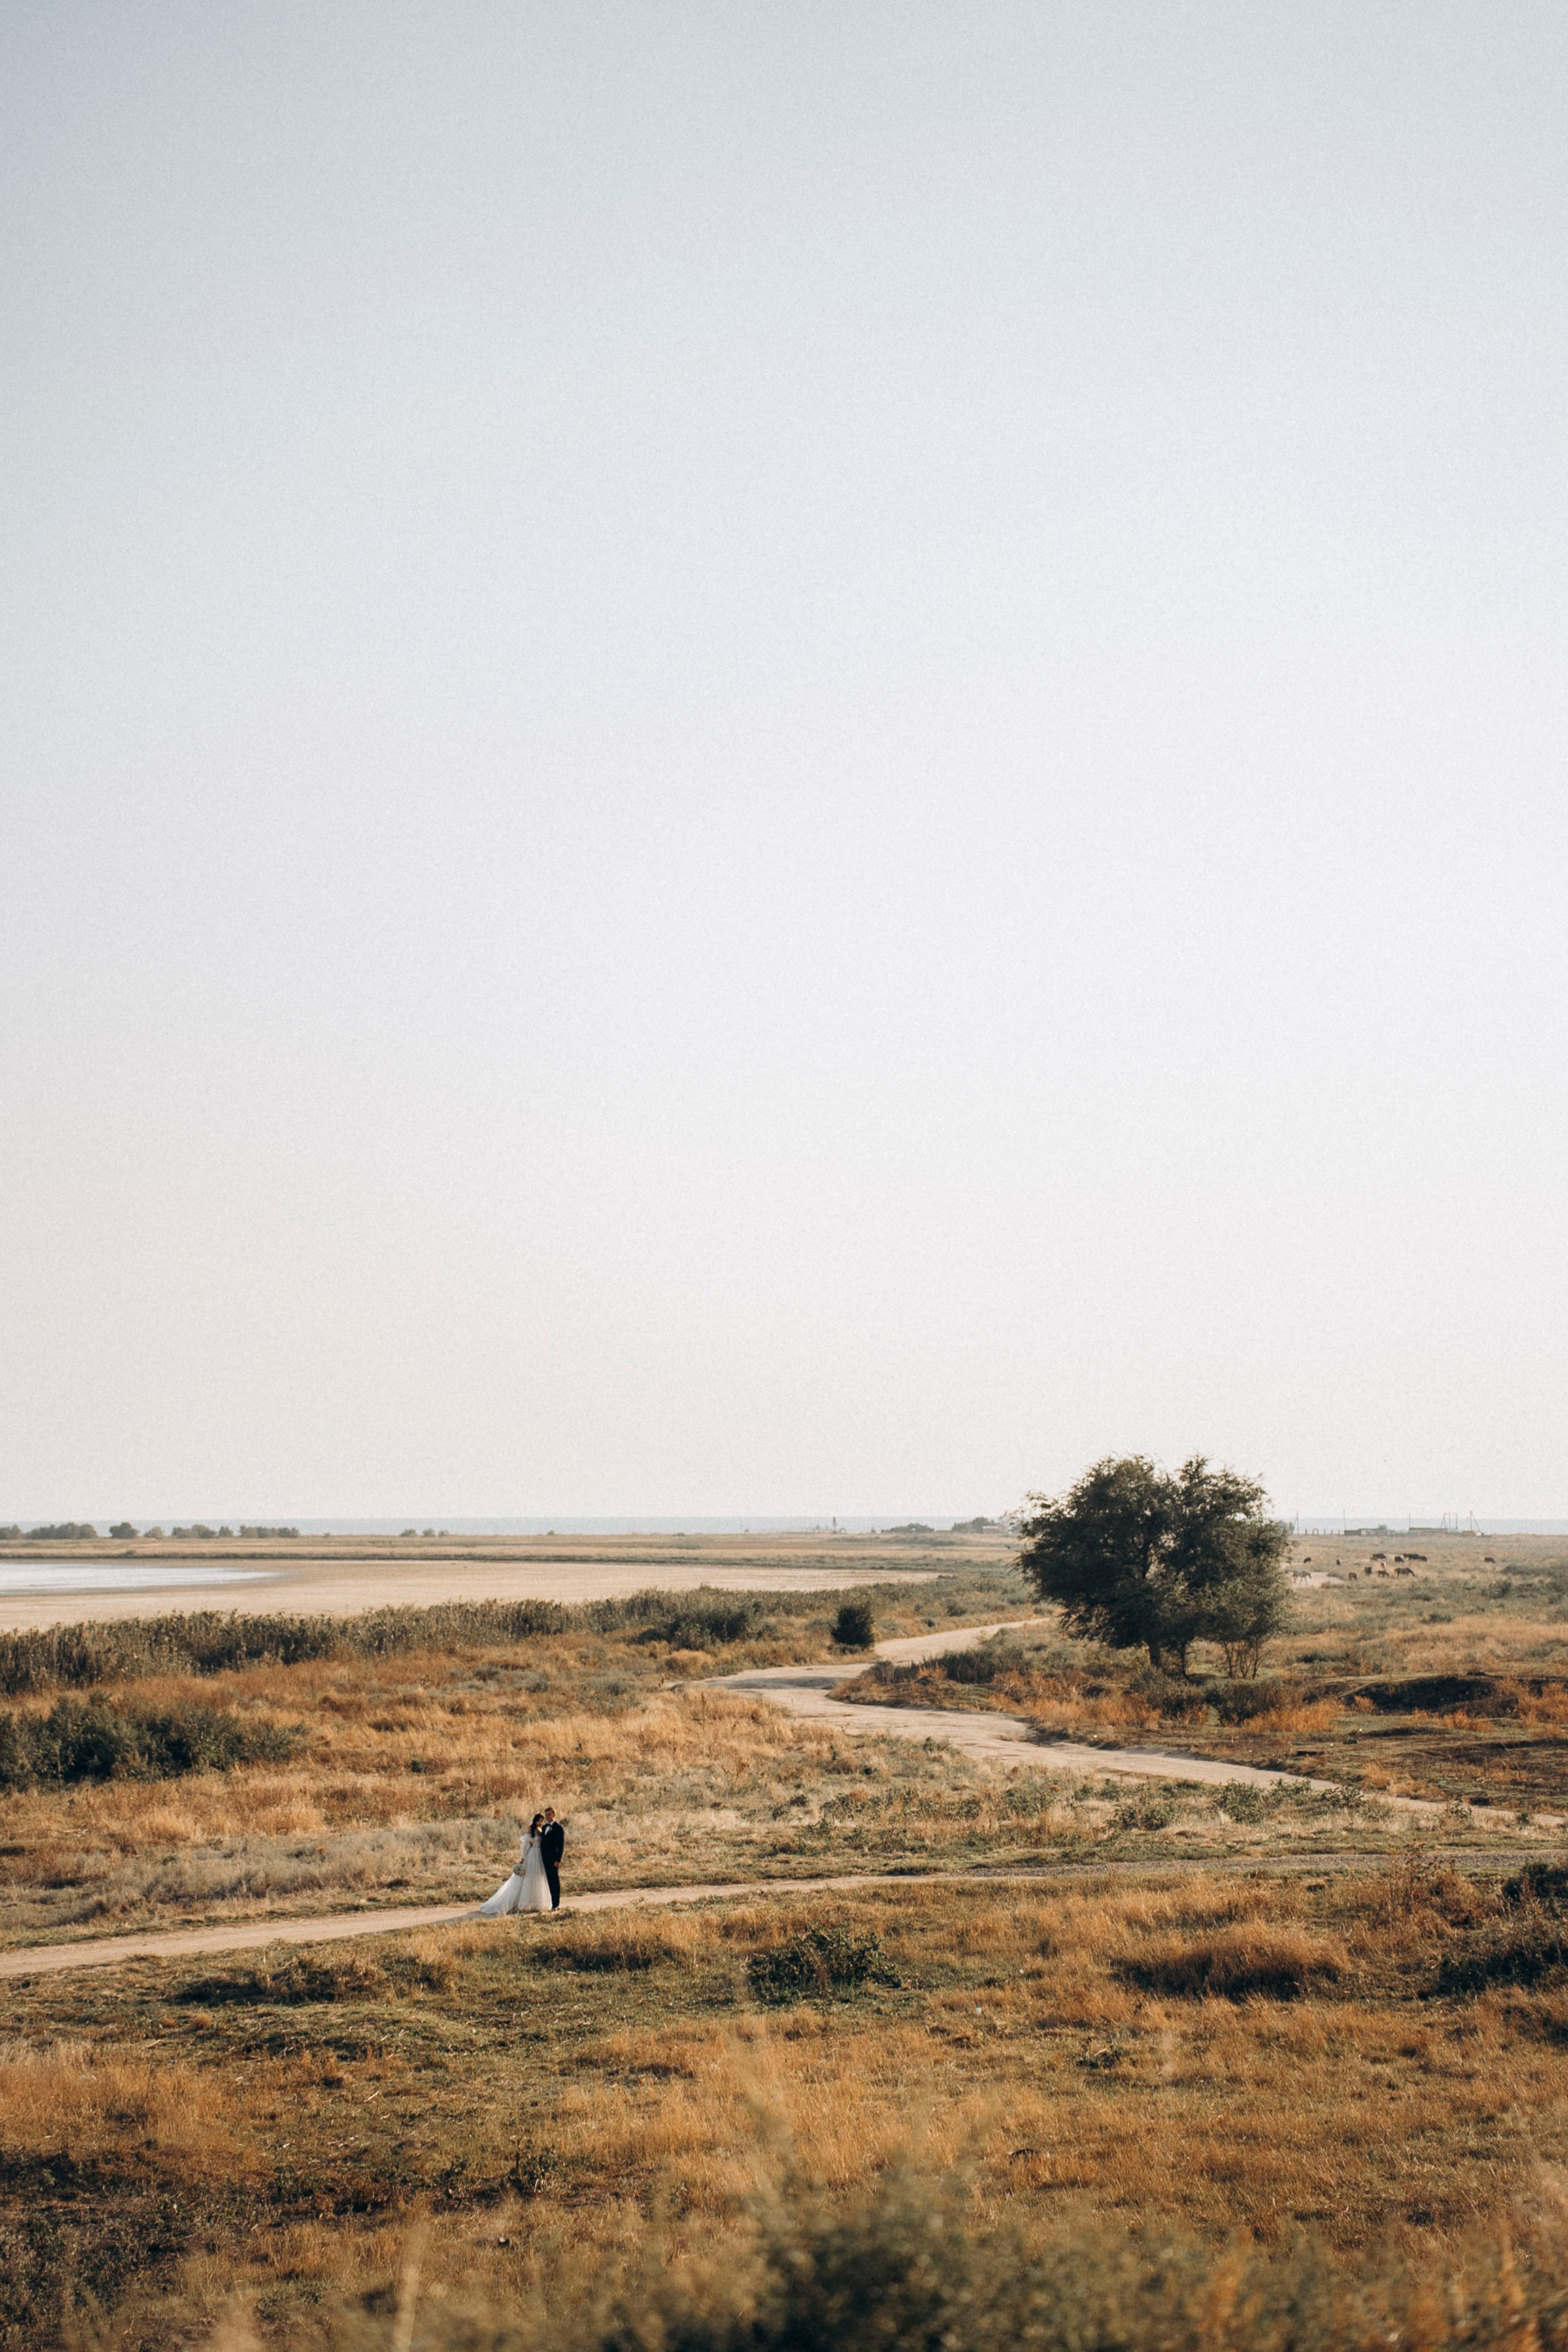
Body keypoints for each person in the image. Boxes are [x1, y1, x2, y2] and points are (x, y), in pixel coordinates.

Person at [477, 1813, 553, 1916]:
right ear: (535, 1821)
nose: (540, 1823)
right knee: (528, 1877)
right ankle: (525, 1903)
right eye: (539, 1821)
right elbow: (526, 1845)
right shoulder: (531, 1830)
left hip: (539, 1855)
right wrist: (523, 1857)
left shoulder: (541, 1830)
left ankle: (536, 1902)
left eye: (542, 1821)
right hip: (532, 1854)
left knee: (537, 1877)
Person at [539, 1807, 565, 1910]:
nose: (547, 1817)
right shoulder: (544, 1827)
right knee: (548, 1881)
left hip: (554, 1860)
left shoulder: (558, 1828)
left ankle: (556, 1904)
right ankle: (550, 1902)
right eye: (546, 1815)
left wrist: (558, 1860)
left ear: (554, 1815)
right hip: (545, 1859)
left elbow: (561, 1845)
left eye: (549, 1815)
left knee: (554, 1881)